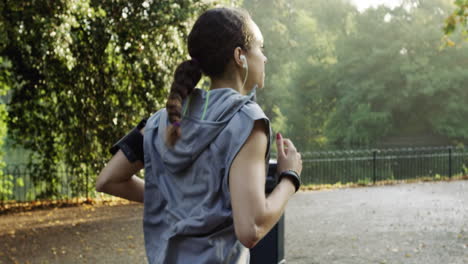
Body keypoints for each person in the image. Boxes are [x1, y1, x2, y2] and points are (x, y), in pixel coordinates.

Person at [96, 7, 302, 264]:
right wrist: (290, 177)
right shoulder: (247, 120)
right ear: (240, 56)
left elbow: (107, 180)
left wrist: (182, 201)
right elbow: (251, 230)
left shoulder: (163, 120)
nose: (265, 58)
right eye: (260, 48)